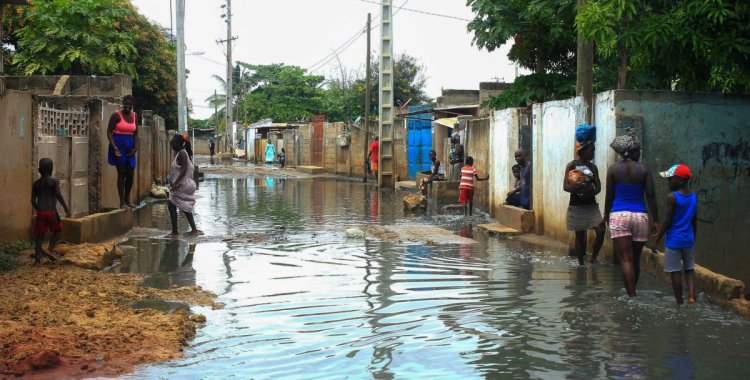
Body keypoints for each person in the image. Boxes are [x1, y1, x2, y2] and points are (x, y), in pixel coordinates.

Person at [602, 132, 659, 297]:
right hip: (640, 216)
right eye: (638, 150)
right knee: (635, 259)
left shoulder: (613, 169)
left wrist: (606, 215)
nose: (639, 152)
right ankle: (633, 292)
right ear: (632, 151)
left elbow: (610, 195)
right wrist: (656, 220)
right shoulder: (644, 169)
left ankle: (631, 295)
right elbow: (650, 195)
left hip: (619, 215)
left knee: (625, 259)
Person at [653, 164, 698, 304]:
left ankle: (679, 302)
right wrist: (693, 237)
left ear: (680, 181)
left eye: (671, 179)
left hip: (674, 240)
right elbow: (694, 220)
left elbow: (667, 220)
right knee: (689, 269)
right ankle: (691, 297)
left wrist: (657, 240)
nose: (669, 182)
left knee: (675, 271)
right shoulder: (694, 197)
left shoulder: (672, 197)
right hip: (688, 239)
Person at [564, 126, 605, 265]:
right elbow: (565, 186)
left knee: (600, 230)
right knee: (579, 235)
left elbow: (598, 186)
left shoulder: (593, 168)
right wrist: (580, 191)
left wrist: (591, 192)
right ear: (583, 151)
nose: (593, 153)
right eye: (591, 150)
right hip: (576, 205)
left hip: (591, 205)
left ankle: (593, 259)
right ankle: (581, 262)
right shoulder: (572, 166)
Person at [31, 158, 71, 265]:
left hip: (41, 213)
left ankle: (37, 260)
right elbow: (58, 195)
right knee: (58, 230)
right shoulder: (54, 182)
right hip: (51, 212)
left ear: (39, 170)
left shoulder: (36, 184)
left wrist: (39, 209)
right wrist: (66, 208)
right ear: (51, 169)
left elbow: (32, 201)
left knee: (39, 236)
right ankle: (50, 248)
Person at [167, 134, 202, 239]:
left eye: (173, 142)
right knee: (184, 206)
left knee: (172, 204)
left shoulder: (182, 153)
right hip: (186, 183)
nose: (172, 144)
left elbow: (184, 169)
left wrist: (175, 183)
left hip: (182, 184)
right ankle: (193, 229)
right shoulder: (182, 153)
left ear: (177, 143)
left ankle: (175, 232)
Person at [107, 95, 139, 209]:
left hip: (130, 146)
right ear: (123, 103)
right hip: (118, 146)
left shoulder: (135, 116)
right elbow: (109, 132)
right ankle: (122, 202)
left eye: (130, 105)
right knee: (122, 173)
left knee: (130, 174)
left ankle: (127, 198)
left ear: (132, 106)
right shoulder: (116, 115)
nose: (127, 106)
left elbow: (135, 134)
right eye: (126, 104)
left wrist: (135, 148)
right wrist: (114, 146)